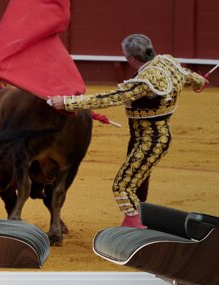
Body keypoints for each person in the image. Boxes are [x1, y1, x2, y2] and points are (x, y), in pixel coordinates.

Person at [49, 34, 207, 229]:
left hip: (150, 140)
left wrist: (66, 102)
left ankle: (136, 226)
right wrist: (199, 82)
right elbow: (187, 74)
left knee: (122, 186)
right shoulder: (168, 62)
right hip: (151, 136)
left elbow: (110, 98)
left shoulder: (144, 82)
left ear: (131, 59)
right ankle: (137, 220)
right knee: (136, 182)